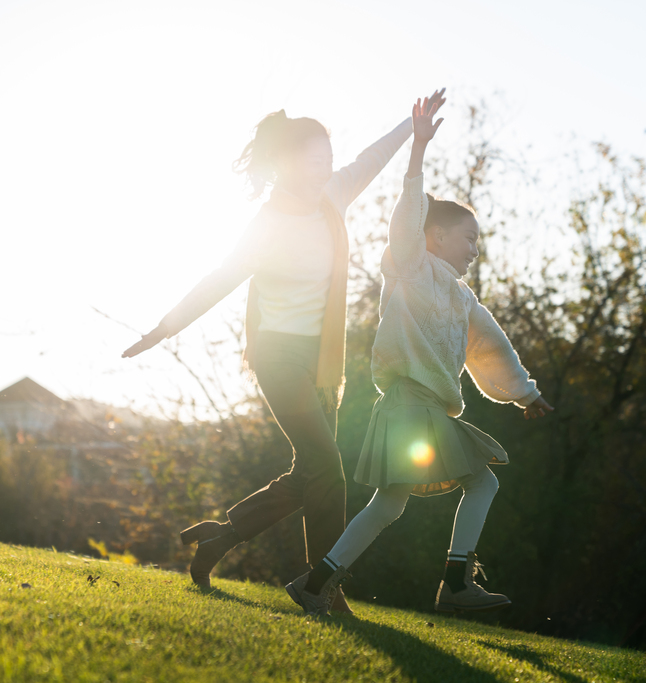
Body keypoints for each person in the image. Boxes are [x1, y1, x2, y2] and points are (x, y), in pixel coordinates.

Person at [122, 92, 446, 612]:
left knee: (308, 474)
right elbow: (220, 278)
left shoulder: (333, 199)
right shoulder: (268, 223)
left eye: (329, 158)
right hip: (278, 354)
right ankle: (324, 587)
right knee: (328, 467)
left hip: (323, 360)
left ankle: (222, 538)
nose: (328, 167)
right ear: (288, 163)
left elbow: (370, 159)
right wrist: (165, 326)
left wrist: (412, 131)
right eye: (316, 159)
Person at [285, 93, 554, 617]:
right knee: (480, 480)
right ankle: (454, 581)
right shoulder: (411, 266)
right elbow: (409, 212)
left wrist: (526, 393)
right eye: (469, 238)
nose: (475, 249)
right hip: (409, 405)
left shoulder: (462, 298)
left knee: (389, 503)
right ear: (435, 236)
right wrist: (417, 150)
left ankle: (315, 583)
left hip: (424, 411)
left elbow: (493, 349)